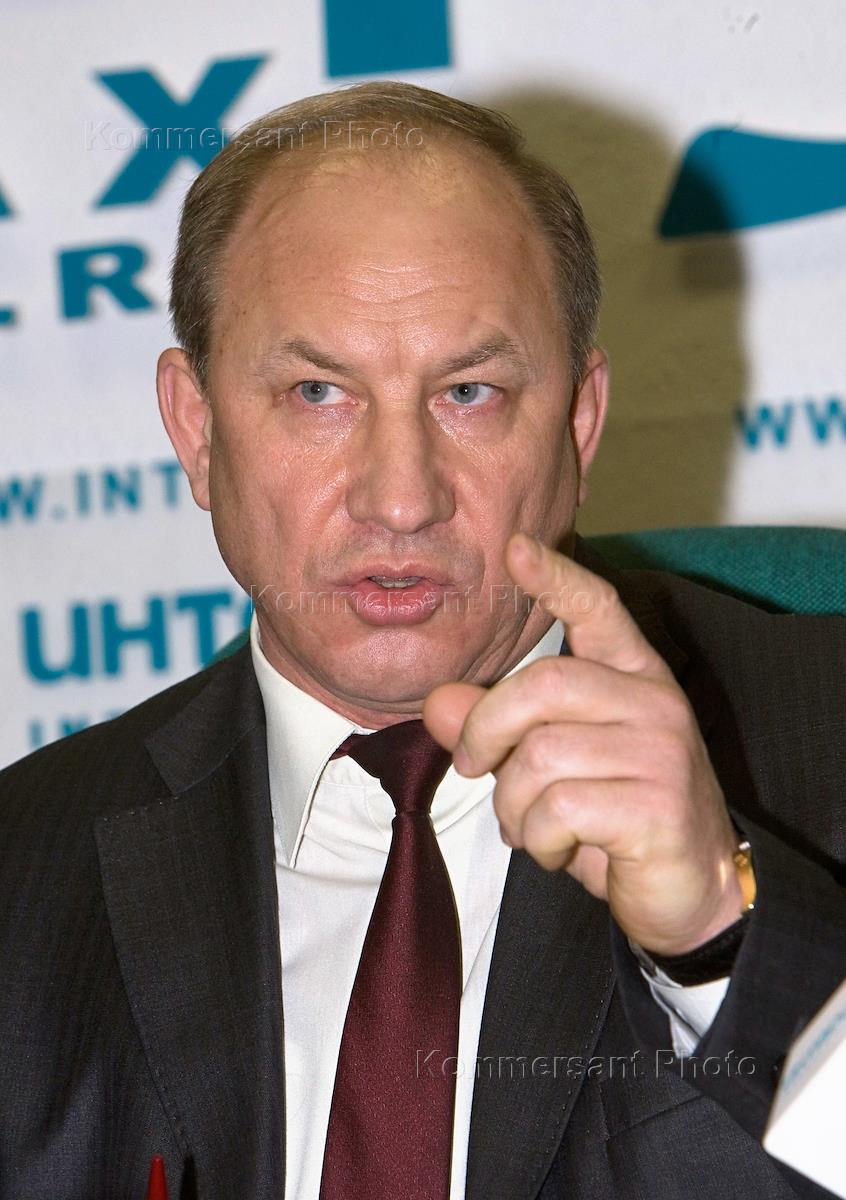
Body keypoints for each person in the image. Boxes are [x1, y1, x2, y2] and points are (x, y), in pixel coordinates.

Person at [1, 81, 845, 1200]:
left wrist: (720, 938)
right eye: (318, 392)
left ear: (580, 421)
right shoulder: (22, 876)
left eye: (469, 392)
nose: (401, 500)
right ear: (196, 429)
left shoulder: (828, 739)